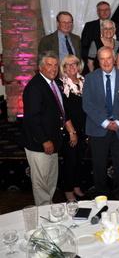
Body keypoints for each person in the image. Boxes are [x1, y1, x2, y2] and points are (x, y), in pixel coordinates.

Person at [23, 51, 76, 205]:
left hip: (53, 142)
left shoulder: (54, 84)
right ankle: (44, 212)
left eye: (55, 65)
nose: (53, 69)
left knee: (50, 180)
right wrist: (45, 140)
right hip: (39, 144)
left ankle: (48, 209)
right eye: (49, 65)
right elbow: (32, 119)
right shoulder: (35, 87)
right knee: (41, 183)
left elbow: (61, 110)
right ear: (40, 67)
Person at [82, 46, 119, 198]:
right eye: (102, 59)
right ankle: (101, 197)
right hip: (98, 129)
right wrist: (105, 122)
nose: (106, 62)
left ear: (114, 59)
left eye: (108, 58)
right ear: (98, 61)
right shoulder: (90, 78)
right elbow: (87, 105)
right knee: (99, 165)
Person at [59, 55, 87, 202]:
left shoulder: (84, 81)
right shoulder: (61, 85)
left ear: (79, 65)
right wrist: (72, 132)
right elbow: (63, 111)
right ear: (63, 68)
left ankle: (76, 185)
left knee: (79, 159)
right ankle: (68, 190)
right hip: (70, 130)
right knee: (70, 160)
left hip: (83, 129)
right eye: (67, 65)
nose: (71, 67)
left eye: (74, 64)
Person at [81, 1, 115, 72]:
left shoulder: (117, 25)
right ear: (97, 12)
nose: (105, 12)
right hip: (96, 67)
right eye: (102, 10)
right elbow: (84, 47)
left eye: (107, 9)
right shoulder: (89, 26)